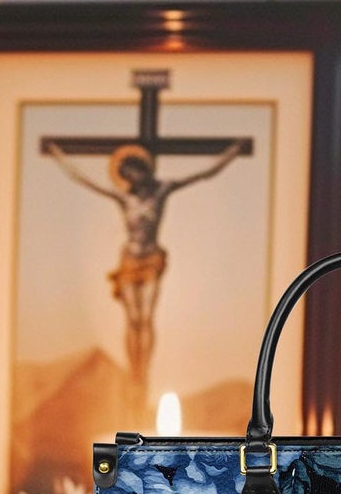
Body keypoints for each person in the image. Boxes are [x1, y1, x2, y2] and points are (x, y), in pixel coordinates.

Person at [44, 139, 247, 400]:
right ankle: (135, 371)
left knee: (146, 318)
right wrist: (59, 156)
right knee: (133, 320)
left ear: (144, 169)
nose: (133, 178)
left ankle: (144, 369)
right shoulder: (124, 197)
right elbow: (85, 181)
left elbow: (204, 174)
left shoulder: (161, 190)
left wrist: (230, 153)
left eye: (136, 171)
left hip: (151, 260)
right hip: (129, 261)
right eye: (127, 174)